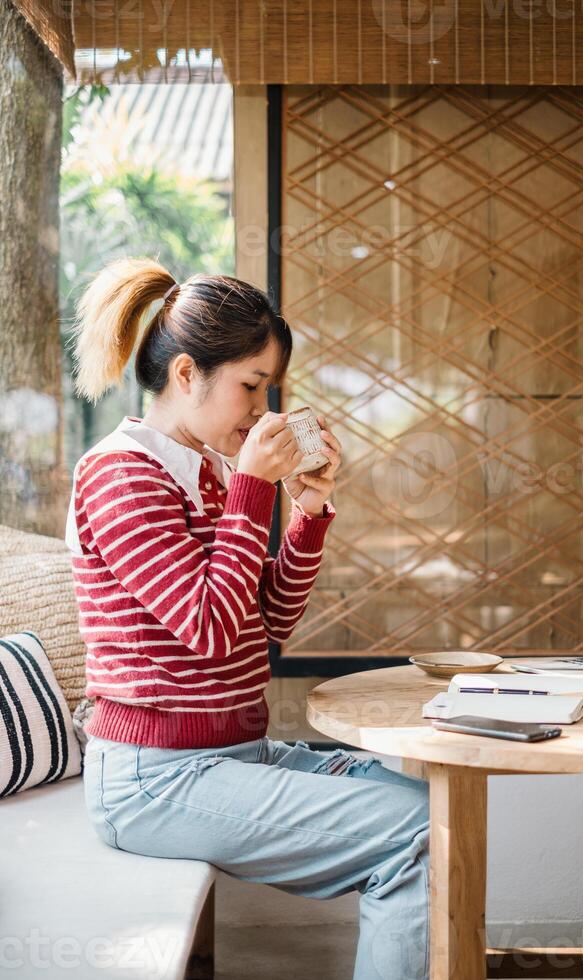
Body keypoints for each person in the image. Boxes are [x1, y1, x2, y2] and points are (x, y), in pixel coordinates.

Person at [67, 257, 430, 980]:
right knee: (417, 833)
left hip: (227, 756)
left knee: (427, 804)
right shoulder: (120, 474)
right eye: (251, 386)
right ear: (186, 376)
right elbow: (205, 625)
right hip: (155, 779)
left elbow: (262, 628)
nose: (262, 409)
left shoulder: (207, 473)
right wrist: (253, 492)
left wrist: (308, 514)